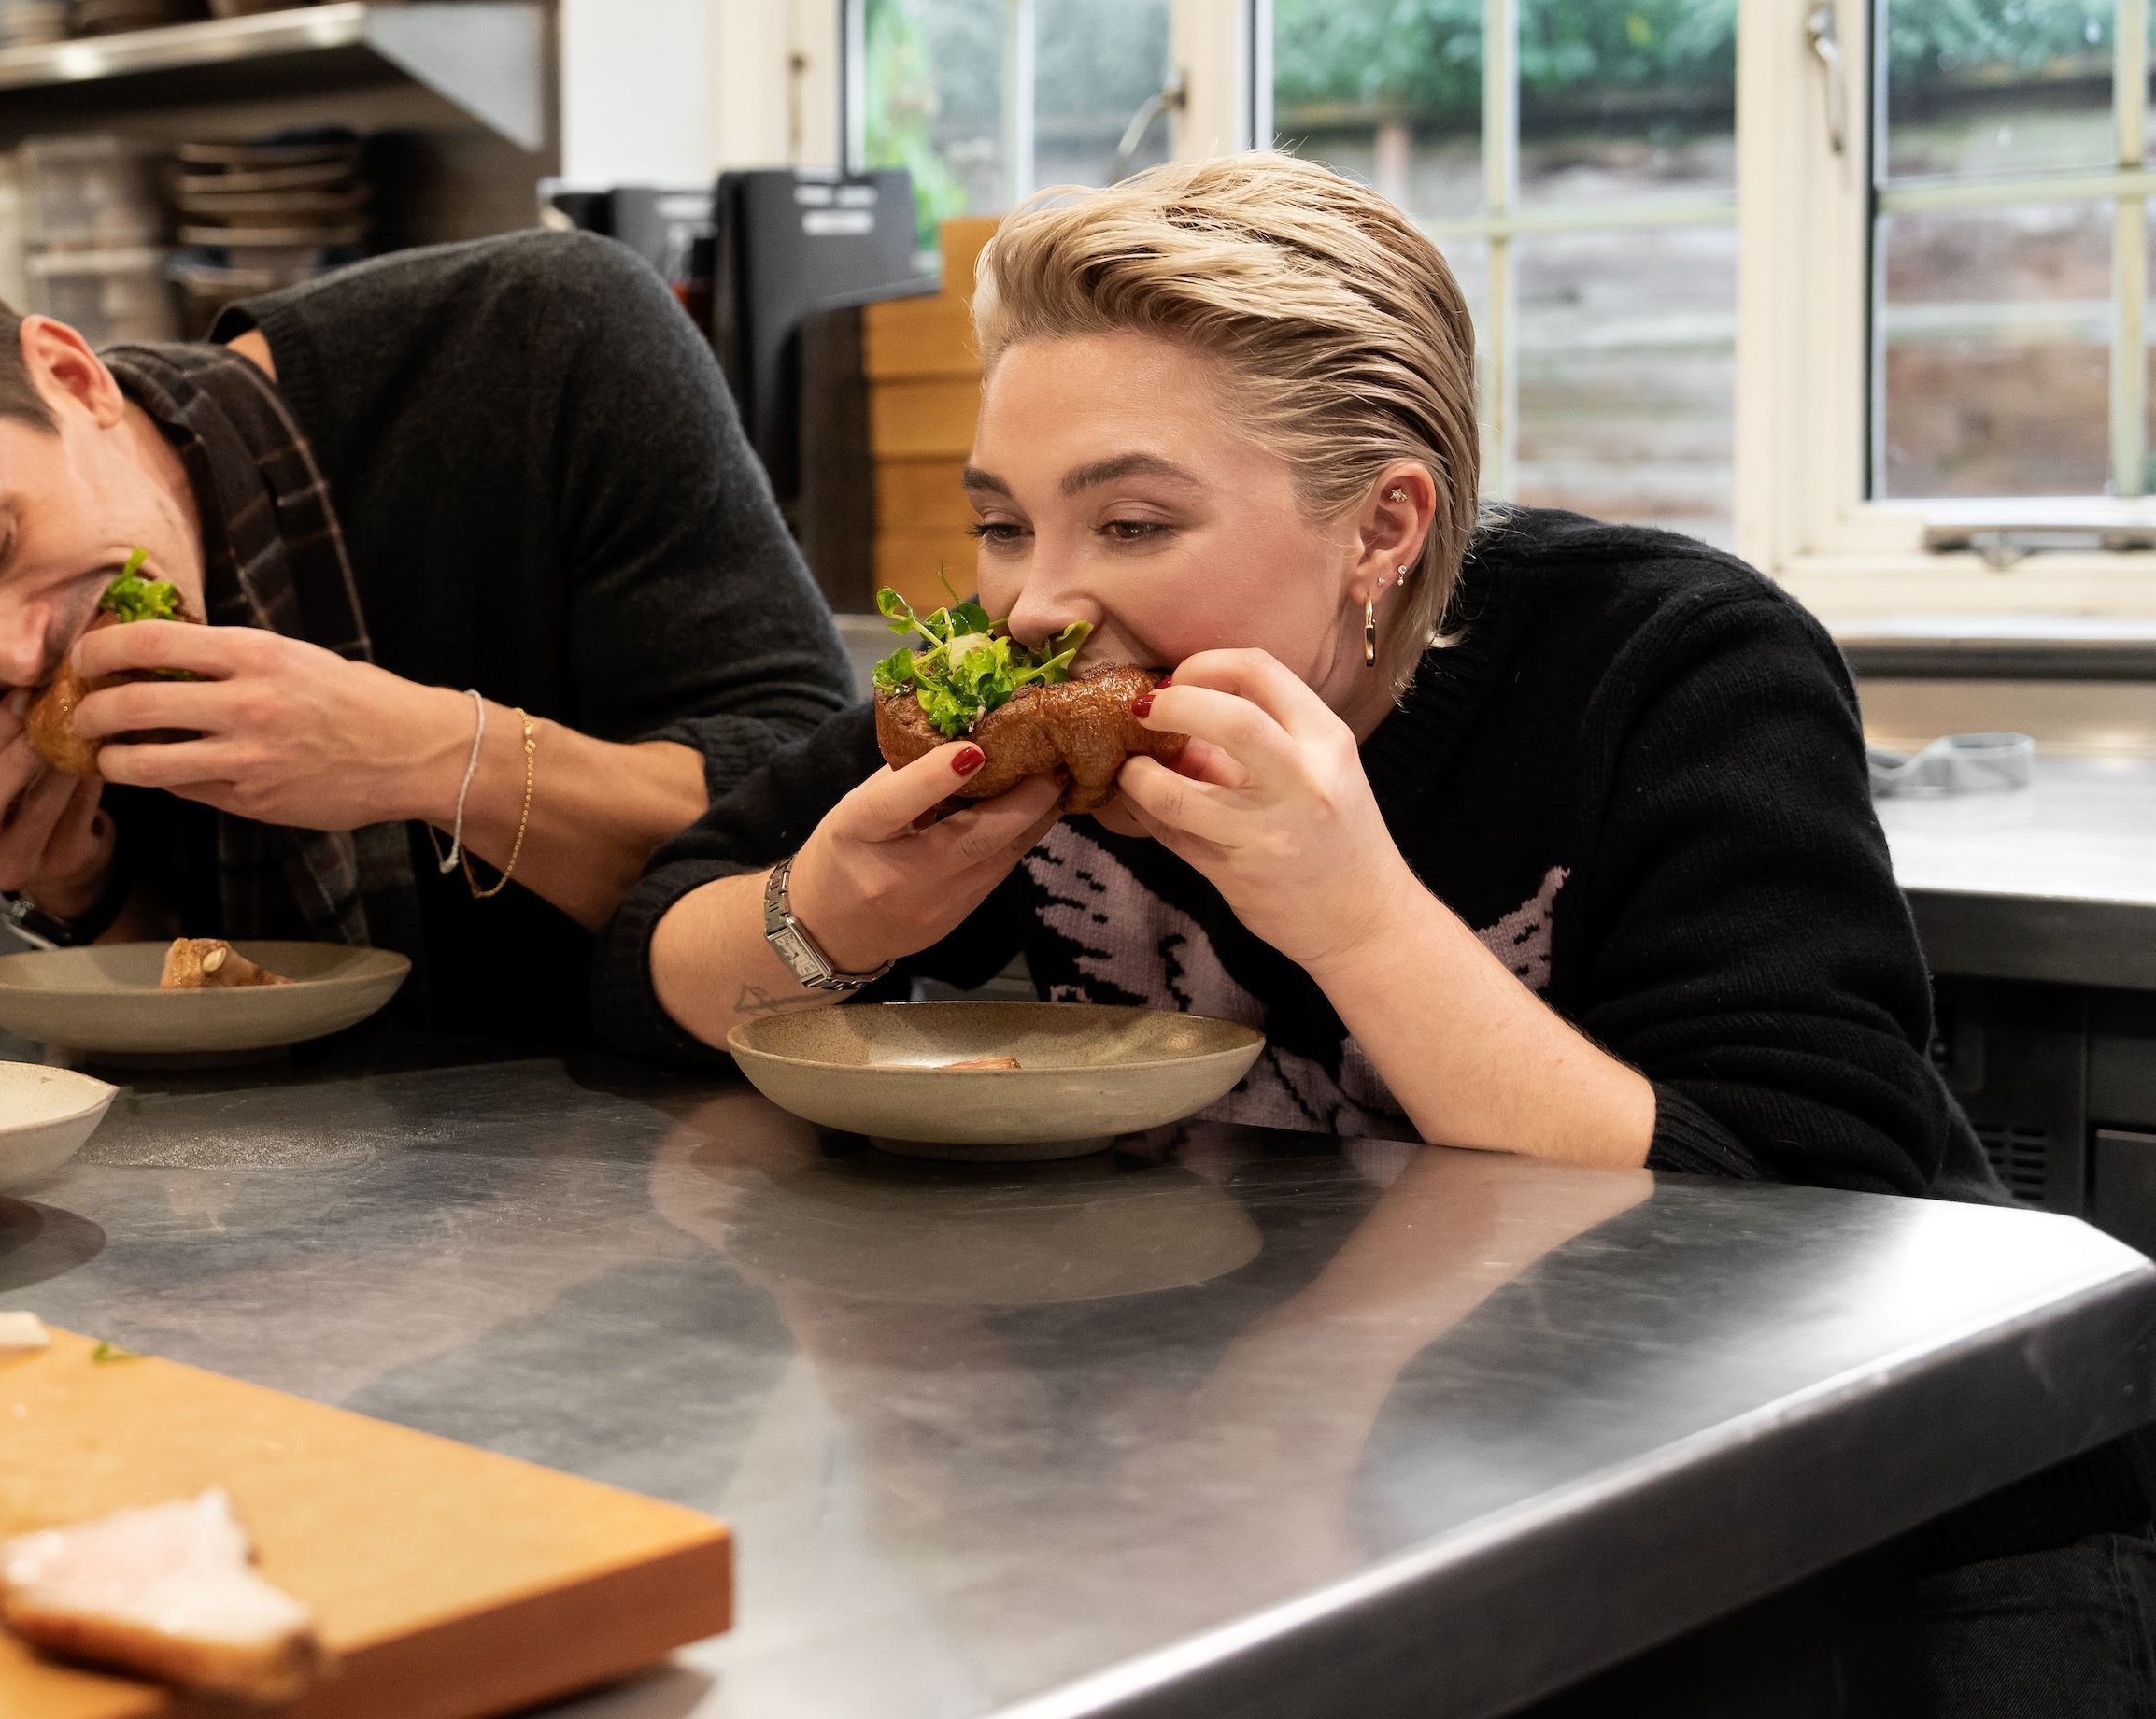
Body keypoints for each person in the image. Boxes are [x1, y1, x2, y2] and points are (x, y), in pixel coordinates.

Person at [603, 150, 2148, 1713]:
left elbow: (1816, 1214)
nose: (1035, 606)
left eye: (1130, 521)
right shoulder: (1016, 700)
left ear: (1380, 526)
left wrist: (1356, 916)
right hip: (1323, 1501)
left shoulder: (1672, 665)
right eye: (1004, 524)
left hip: (1888, 1539)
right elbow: (646, 943)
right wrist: (826, 921)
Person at [0, 235, 850, 1046]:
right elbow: (233, 1020)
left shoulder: (548, 338)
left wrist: (433, 755)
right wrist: (88, 892)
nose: (12, 660)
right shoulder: (1, 637)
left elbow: (830, 808)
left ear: (71, 377)